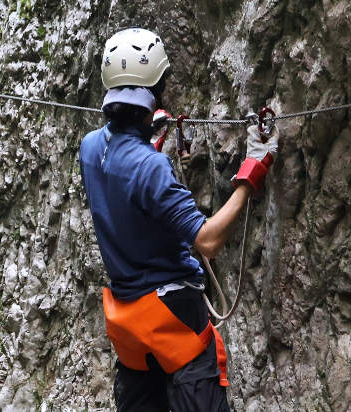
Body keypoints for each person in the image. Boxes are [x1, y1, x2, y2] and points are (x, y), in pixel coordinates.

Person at [79, 28, 278, 411]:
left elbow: (122, 173)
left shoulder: (90, 148)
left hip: (127, 325)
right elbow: (207, 240)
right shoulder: (150, 167)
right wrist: (253, 170)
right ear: (157, 87)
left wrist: (145, 136)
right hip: (172, 318)